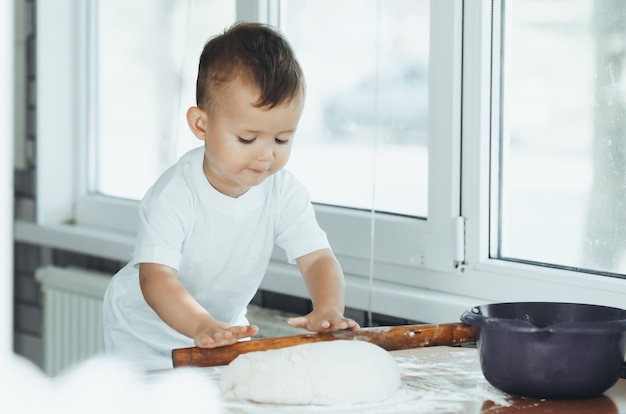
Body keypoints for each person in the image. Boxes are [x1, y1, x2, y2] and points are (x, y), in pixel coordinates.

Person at [102, 21, 359, 370]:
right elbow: (157, 278)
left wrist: (328, 308)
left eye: (282, 139)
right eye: (247, 139)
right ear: (201, 125)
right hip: (144, 337)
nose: (266, 155)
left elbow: (316, 259)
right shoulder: (175, 194)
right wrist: (200, 325)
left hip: (220, 330)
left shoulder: (283, 191)